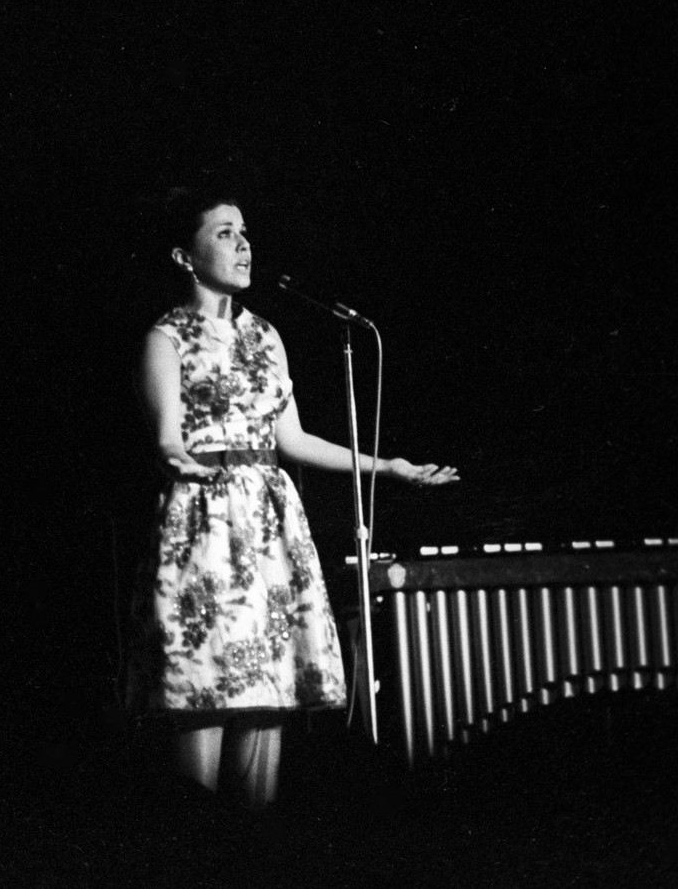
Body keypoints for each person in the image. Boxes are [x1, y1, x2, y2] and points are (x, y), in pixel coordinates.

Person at [134, 185, 458, 809]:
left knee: (266, 691)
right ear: (183, 256)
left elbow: (293, 440)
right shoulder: (166, 338)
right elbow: (168, 437)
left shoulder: (266, 336)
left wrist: (386, 466)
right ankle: (193, 839)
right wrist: (183, 462)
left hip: (267, 524)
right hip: (205, 522)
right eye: (224, 232)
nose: (243, 244)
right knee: (205, 688)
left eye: (244, 231)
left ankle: (256, 843)